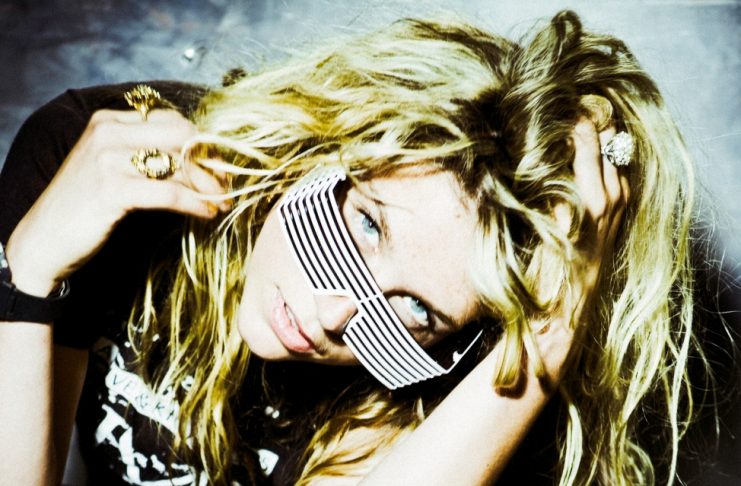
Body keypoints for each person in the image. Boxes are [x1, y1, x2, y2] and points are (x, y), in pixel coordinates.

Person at [0, 10, 704, 485]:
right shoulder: (105, 166)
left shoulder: (433, 388)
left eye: (414, 312)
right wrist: (30, 274)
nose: (337, 314)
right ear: (329, 143)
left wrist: (554, 324)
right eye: (366, 226)